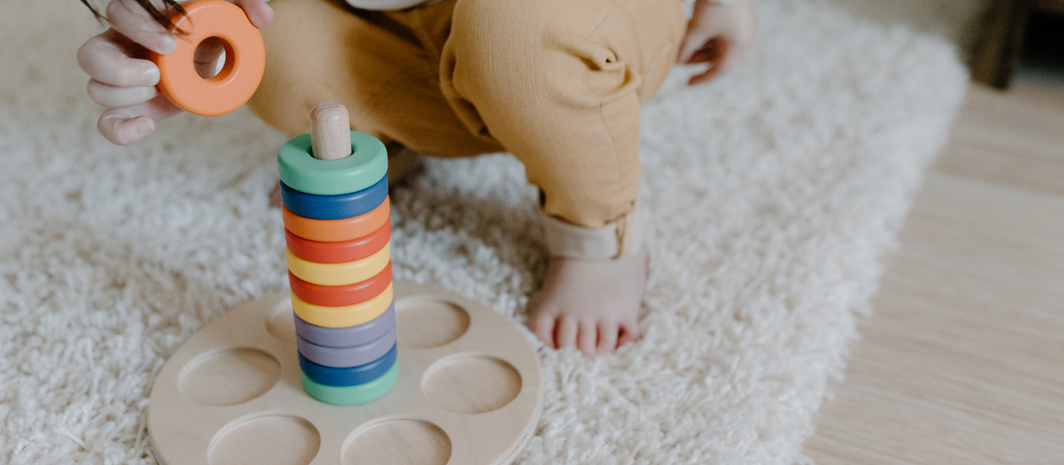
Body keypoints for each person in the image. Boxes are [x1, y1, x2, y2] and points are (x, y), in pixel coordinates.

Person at [76, 0, 756, 357]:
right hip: (398, 19)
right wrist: (182, 21)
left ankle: (600, 228)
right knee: (276, 56)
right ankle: (392, 130)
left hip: (568, 13)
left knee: (517, 35)